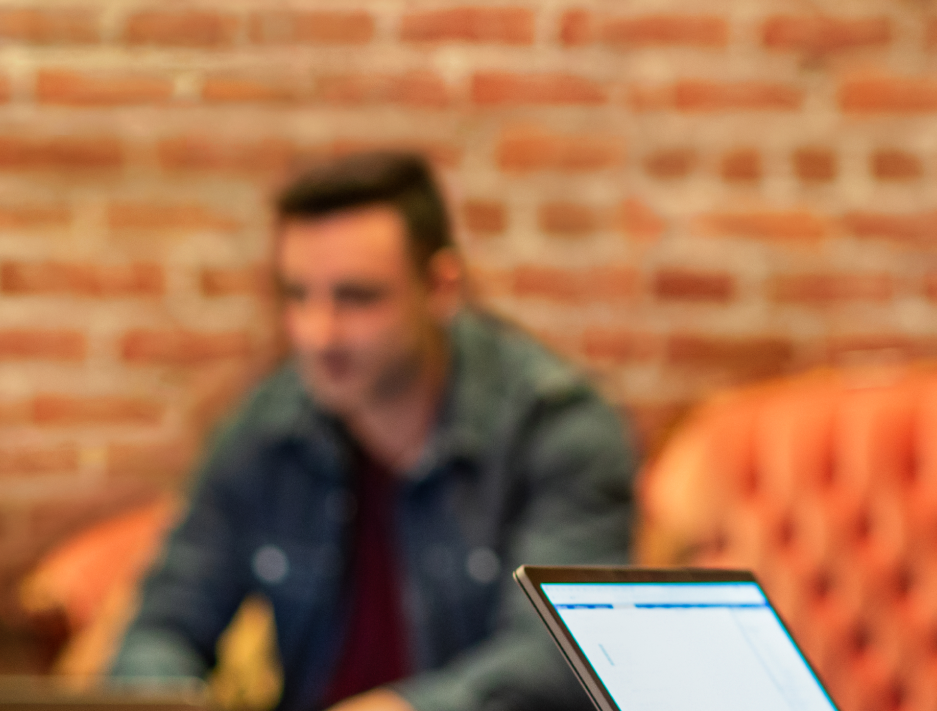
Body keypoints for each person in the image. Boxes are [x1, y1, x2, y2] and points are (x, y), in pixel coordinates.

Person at [111, 152, 635, 711]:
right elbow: (161, 627)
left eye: (355, 298)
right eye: (297, 296)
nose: (318, 334)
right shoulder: (266, 430)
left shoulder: (556, 429)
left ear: (440, 287)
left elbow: (558, 660)